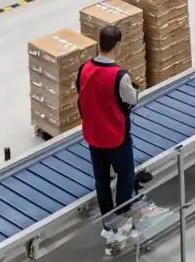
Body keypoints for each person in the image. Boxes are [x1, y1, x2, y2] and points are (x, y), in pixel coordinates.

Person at [76, 25, 139, 248]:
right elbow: (132, 99)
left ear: (98, 44)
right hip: (116, 138)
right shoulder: (120, 76)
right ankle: (122, 221)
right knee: (125, 175)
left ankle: (108, 226)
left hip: (93, 137)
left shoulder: (84, 69)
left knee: (101, 181)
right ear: (118, 46)